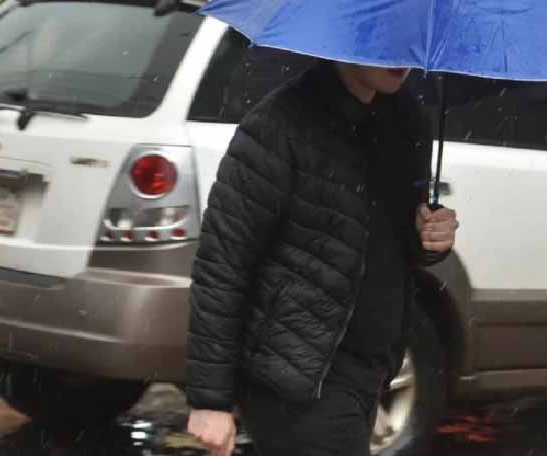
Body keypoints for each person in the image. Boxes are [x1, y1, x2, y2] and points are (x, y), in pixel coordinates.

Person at [185, 60, 459, 456]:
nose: (401, 57)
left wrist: (432, 238)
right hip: (298, 376)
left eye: (407, 40)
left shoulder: (406, 120)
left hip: (372, 370)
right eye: (385, 40)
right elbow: (222, 263)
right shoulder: (280, 124)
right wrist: (210, 399)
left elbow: (392, 241)